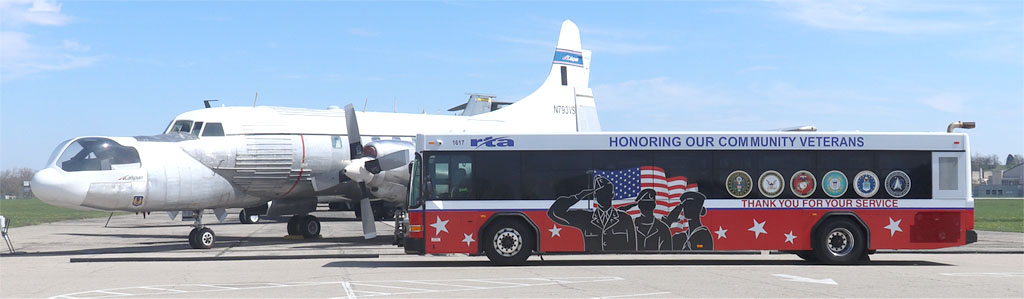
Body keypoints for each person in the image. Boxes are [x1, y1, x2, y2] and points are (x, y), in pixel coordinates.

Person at [548, 175, 637, 252]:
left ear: (612, 195)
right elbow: (554, 213)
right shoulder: (585, 217)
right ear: (595, 196)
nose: (603, 196)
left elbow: (633, 247)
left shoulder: (625, 218)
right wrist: (578, 196)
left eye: (606, 193)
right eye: (600, 194)